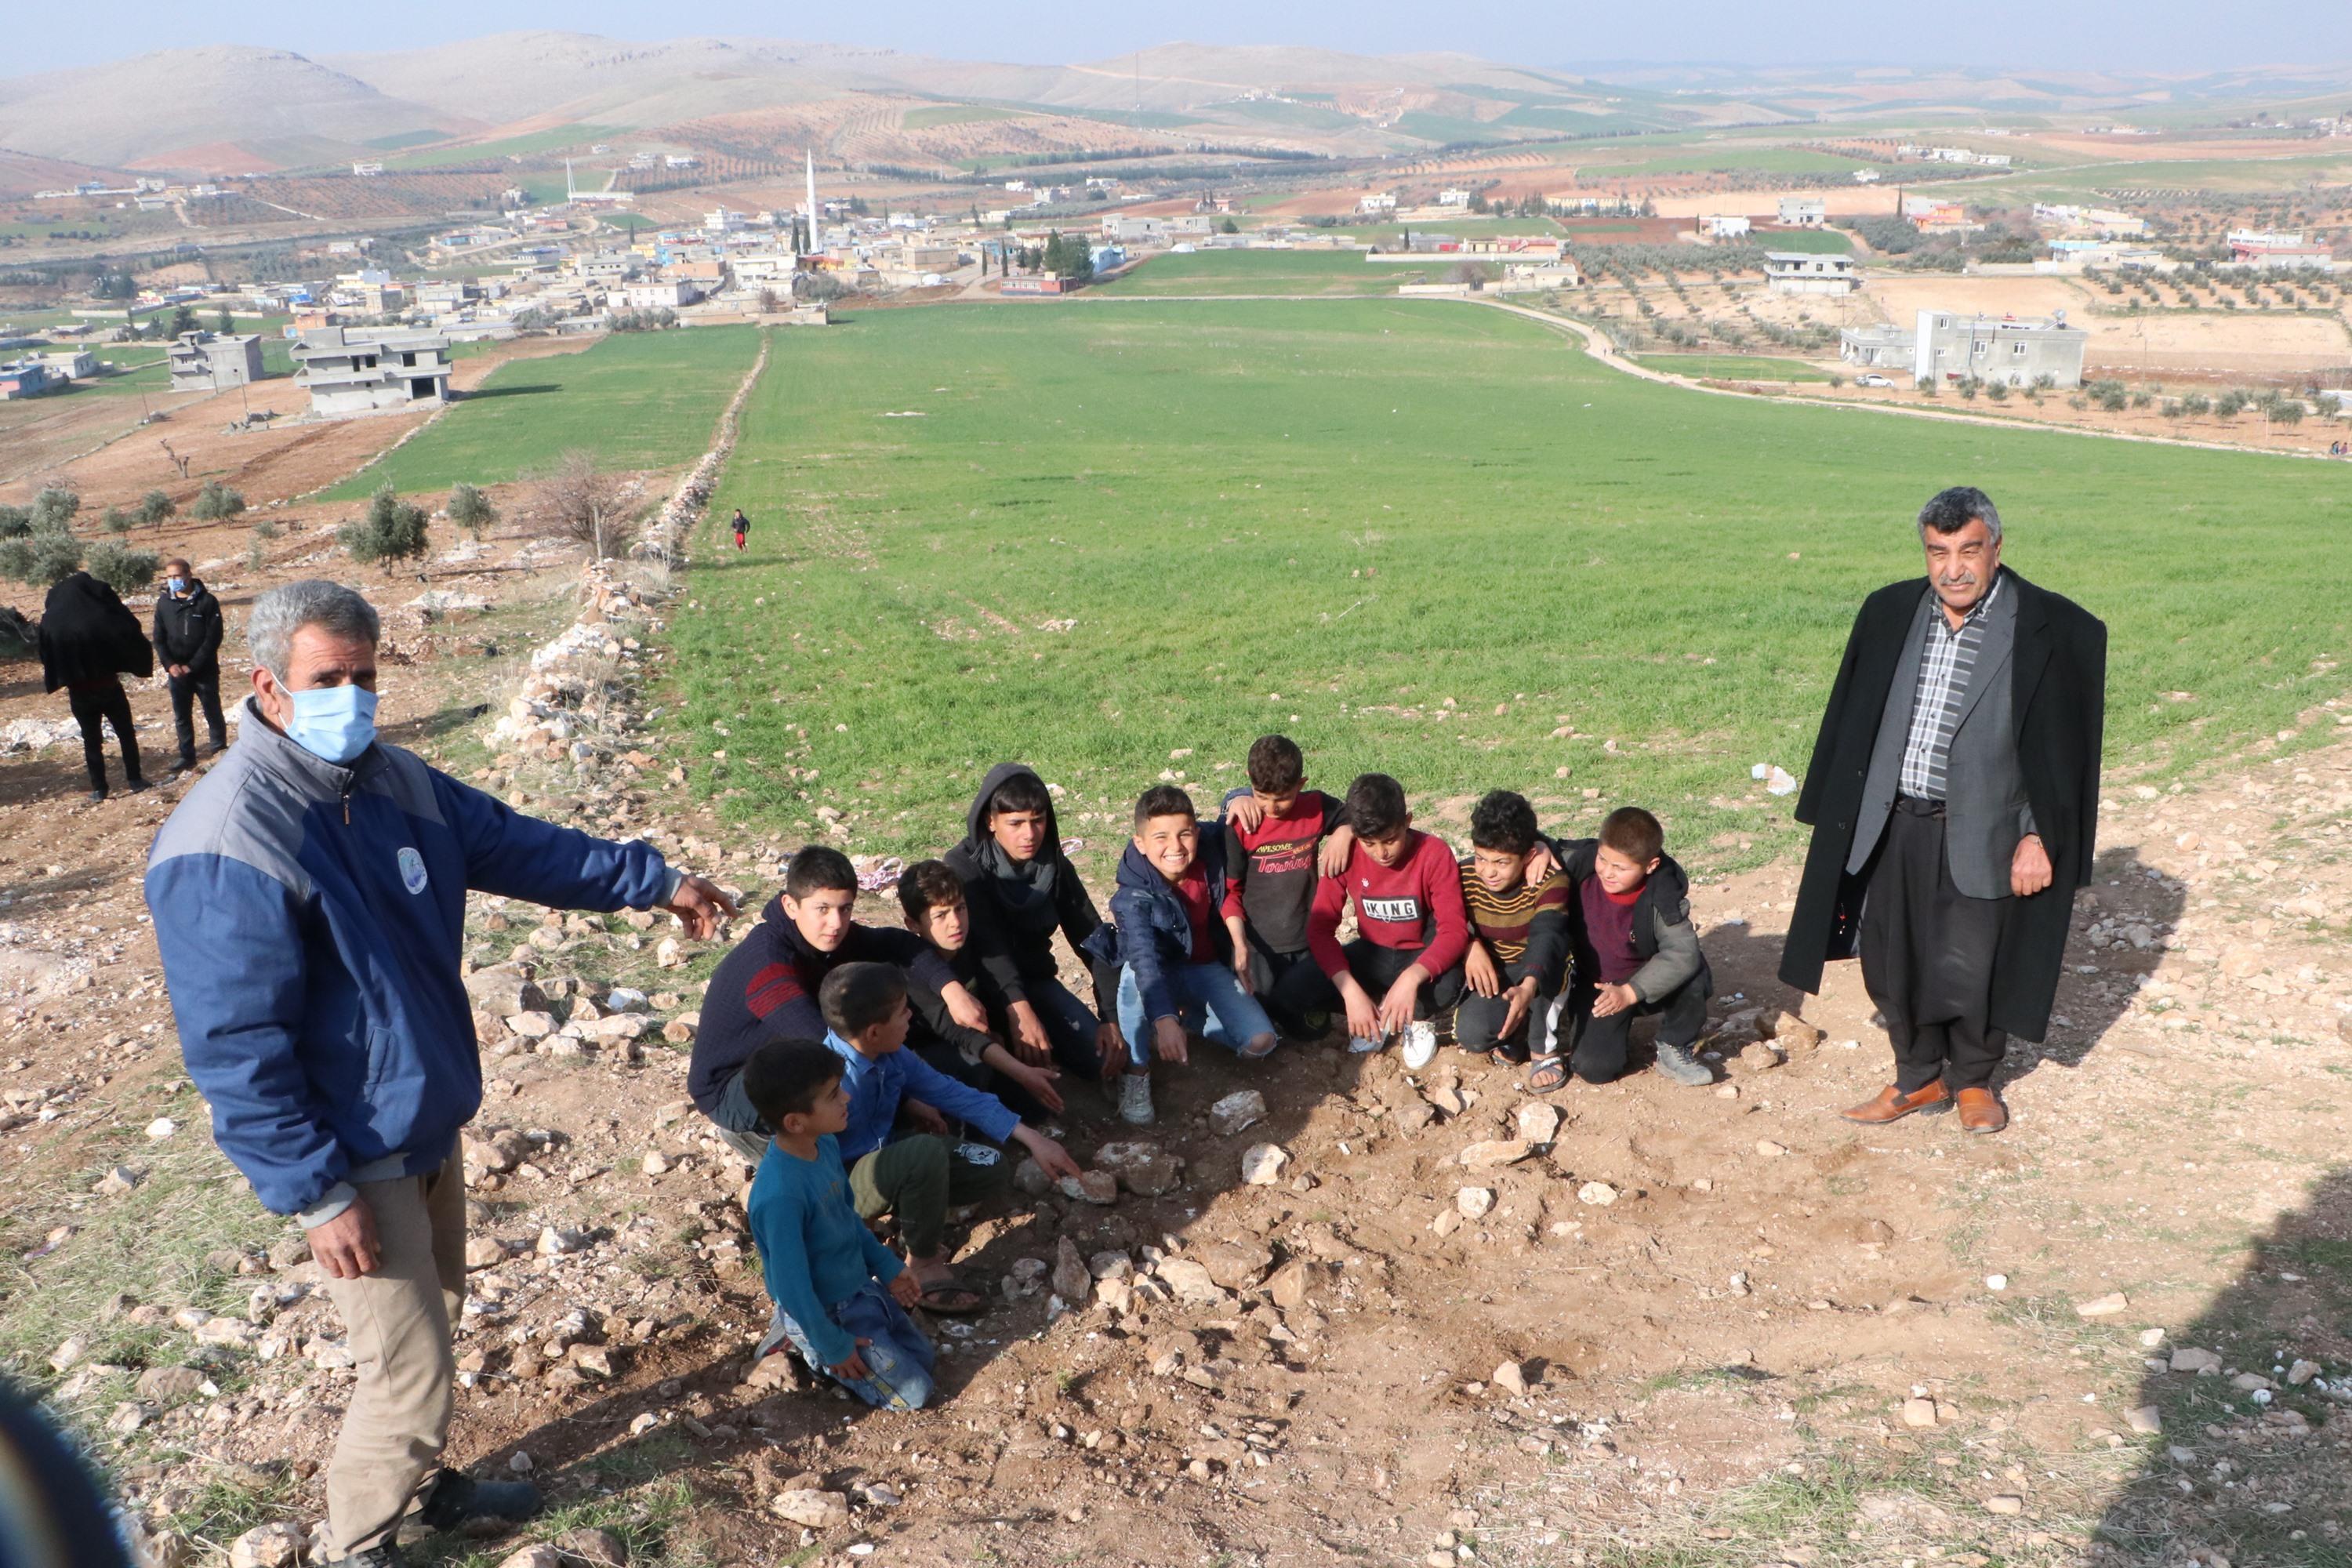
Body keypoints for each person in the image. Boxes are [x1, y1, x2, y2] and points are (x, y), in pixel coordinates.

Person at [144, 580, 735, 1568]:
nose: (353, 697)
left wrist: (654, 880)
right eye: (327, 678)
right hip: (349, 1147)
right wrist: (316, 1191)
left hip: (423, 1118)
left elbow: (516, 845)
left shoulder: (393, 781)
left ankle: (420, 1490)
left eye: (366, 676)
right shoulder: (229, 837)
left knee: (434, 1325)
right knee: (408, 1373)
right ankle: (355, 1544)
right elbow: (238, 1047)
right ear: (267, 686)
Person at [1779, 485, 2106, 1134]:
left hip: (1989, 828)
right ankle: (1918, 1075)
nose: (1953, 568)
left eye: (1968, 551)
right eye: (1938, 552)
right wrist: (1833, 815)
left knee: (1973, 962)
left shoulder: (2056, 628)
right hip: (1894, 819)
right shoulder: (1888, 611)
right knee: (1890, 956)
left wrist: (2042, 836)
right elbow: (1847, 714)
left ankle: (1976, 1080)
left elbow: (2070, 752)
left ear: (1996, 548)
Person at [692, 845, 989, 1164]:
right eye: (823, 909)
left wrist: (952, 990)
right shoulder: (768, 964)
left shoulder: (824, 935)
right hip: (731, 1086)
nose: (835, 923)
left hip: (783, 1054)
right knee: (836, 1086)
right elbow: (828, 1048)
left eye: (845, 909)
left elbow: (897, 943)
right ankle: (769, 1141)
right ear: (791, 906)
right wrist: (907, 1099)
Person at [819, 963, 1081, 1313]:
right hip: (840, 1189)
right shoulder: (831, 1081)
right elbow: (813, 1164)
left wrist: (1031, 1138)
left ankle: (905, 1224)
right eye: (902, 1012)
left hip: (882, 1163)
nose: (911, 1015)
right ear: (873, 1032)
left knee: (988, 1165)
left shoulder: (890, 1053)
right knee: (923, 1152)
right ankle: (923, 1264)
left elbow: (950, 1092)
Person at [741, 1038, 935, 1410]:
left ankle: (811, 1335)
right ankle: (808, 1346)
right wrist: (833, 1345)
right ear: (795, 1122)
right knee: (914, 1394)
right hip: (825, 1309)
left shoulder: (824, 1144)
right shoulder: (781, 1196)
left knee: (924, 1359)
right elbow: (792, 1284)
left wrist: (888, 1267)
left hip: (858, 1289)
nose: (846, 1097)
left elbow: (847, 1219)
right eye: (833, 1095)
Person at [1110, 786, 1280, 1125]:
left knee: (1261, 1042)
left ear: (1196, 833)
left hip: (1205, 967)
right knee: (1131, 978)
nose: (1175, 847)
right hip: (1158, 973)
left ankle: (1191, 1020)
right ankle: (1137, 1068)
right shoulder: (1131, 894)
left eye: (1184, 834)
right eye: (1160, 837)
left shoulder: (1208, 848)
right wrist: (1162, 1017)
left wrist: (1238, 797)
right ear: (1140, 843)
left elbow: (1233, 807)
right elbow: (1144, 958)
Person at [945, 763, 1123, 1084]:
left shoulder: (1054, 866)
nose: (1029, 835)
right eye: (1015, 823)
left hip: (1035, 981)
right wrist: (1020, 1012)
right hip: (978, 992)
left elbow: (1093, 938)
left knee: (1102, 1059)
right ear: (990, 821)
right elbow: (989, 945)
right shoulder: (963, 867)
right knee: (991, 1075)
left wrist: (1112, 1017)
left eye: (1037, 821)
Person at [1537, 806, 1715, 1093]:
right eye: (1603, 860)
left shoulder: (1662, 895)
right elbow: (1529, 839)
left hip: (1641, 979)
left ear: (1650, 866)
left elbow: (1681, 953)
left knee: (1694, 971)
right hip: (1595, 984)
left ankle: (1674, 1044)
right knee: (1595, 1068)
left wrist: (1630, 992)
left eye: (1620, 868)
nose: (1607, 872)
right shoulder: (1579, 866)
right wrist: (1539, 845)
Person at [1305, 771, 1469, 1070]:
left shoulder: (1434, 853)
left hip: (1419, 953)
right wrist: (1349, 990)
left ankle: (1417, 1017)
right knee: (1296, 989)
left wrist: (1411, 978)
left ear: (1407, 821)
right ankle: (1373, 1008)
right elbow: (1319, 929)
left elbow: (1454, 930)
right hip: (1374, 953)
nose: (1381, 853)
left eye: (1391, 840)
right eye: (1369, 843)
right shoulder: (1346, 853)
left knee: (1448, 984)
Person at [895, 858, 1067, 1121]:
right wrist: (1014, 1065)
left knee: (1036, 1104)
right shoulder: (914, 969)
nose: (956, 923)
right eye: (940, 915)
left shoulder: (971, 942)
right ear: (913, 924)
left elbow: (999, 978)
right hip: (930, 1050)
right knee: (978, 1071)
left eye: (960, 909)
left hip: (979, 1038)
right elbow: (958, 1033)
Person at [1216, 734, 1350, 1040]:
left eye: (1283, 798)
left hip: (1305, 939)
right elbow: (1230, 891)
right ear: (1249, 780)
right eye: (1262, 797)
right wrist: (1239, 944)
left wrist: (1344, 830)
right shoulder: (1241, 824)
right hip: (1258, 945)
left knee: (1312, 1031)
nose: (1272, 807)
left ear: (1301, 784)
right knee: (1260, 1023)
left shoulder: (1315, 807)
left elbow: (1350, 813)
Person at [1454, 789, 1570, 1067]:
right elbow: (1443, 919)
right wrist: (1469, 944)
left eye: (1502, 862)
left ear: (1529, 856)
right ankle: (1518, 1026)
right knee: (1472, 1035)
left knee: (1551, 969)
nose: (1488, 872)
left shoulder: (1549, 880)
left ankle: (1544, 1047)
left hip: (1540, 963)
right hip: (1499, 966)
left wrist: (1529, 985)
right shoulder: (1464, 875)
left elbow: (1547, 934)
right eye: (1481, 858)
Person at [38, 569, 151, 802]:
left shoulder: (53, 619)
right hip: (109, 686)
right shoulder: (102, 613)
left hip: (79, 692)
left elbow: (45, 651)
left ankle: (99, 788)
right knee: (126, 734)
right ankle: (135, 779)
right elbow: (129, 627)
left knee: (91, 740)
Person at [151, 556, 227, 775]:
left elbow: (213, 638)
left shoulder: (207, 601)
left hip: (204, 670)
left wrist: (193, 665)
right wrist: (170, 665)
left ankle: (218, 749)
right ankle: (186, 755)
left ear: (188, 575)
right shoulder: (164, 603)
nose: (174, 580)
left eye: (177, 576)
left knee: (212, 709)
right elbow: (158, 637)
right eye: (170, 577)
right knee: (182, 715)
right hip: (176, 673)